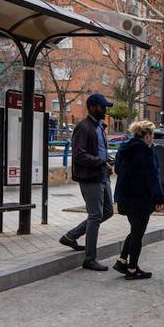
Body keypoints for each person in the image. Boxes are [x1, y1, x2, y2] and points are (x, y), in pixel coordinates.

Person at [60, 93, 114, 270]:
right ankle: (89, 259)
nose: (105, 110)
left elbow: (99, 150)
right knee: (96, 215)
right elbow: (79, 155)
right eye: (102, 107)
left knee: (107, 212)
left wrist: (109, 160)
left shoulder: (99, 127)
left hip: (102, 176)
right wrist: (101, 162)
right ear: (92, 108)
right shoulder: (83, 127)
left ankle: (70, 236)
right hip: (91, 177)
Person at [111, 119, 164, 280]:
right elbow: (152, 177)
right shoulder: (146, 152)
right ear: (147, 136)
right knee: (137, 235)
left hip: (125, 198)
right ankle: (132, 269)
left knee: (135, 230)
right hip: (140, 199)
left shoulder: (124, 148)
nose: (153, 138)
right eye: (152, 134)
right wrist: (159, 198)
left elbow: (118, 169)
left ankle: (121, 261)